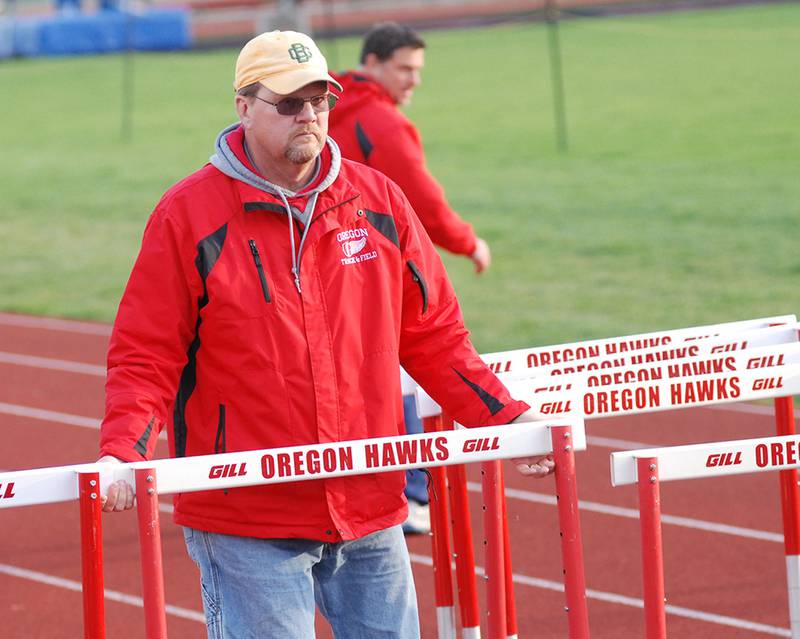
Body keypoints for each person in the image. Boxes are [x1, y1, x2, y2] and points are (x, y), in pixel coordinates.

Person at [97, 30, 554, 638]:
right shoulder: (188, 215)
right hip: (248, 515)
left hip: (369, 502)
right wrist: (124, 450)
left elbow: (435, 335)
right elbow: (147, 353)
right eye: (288, 103)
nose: (308, 116)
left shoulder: (377, 200)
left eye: (319, 99)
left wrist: (509, 418)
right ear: (243, 107)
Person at [328, 22, 491, 533]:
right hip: (365, 259)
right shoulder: (381, 122)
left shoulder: (321, 101)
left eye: (418, 71)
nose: (413, 81)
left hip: (312, 259)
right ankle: (412, 491)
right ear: (373, 64)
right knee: (396, 363)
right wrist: (468, 241)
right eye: (404, 68)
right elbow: (420, 197)